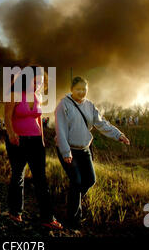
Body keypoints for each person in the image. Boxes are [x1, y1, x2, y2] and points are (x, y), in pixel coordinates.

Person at [55, 76, 130, 229]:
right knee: (76, 181)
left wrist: (118, 135)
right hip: (69, 149)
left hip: (84, 149)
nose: (81, 92)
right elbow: (60, 129)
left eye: (84, 89)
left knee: (90, 180)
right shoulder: (64, 105)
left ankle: (71, 202)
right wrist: (65, 151)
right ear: (71, 89)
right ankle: (73, 220)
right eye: (78, 89)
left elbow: (101, 123)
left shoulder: (90, 105)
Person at [4, 66, 63, 230]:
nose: (38, 85)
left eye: (41, 82)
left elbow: (39, 120)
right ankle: (15, 212)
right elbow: (7, 116)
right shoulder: (15, 94)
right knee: (18, 175)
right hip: (17, 141)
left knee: (41, 179)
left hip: (36, 141)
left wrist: (42, 140)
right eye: (35, 81)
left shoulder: (37, 96)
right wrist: (11, 134)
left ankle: (47, 217)